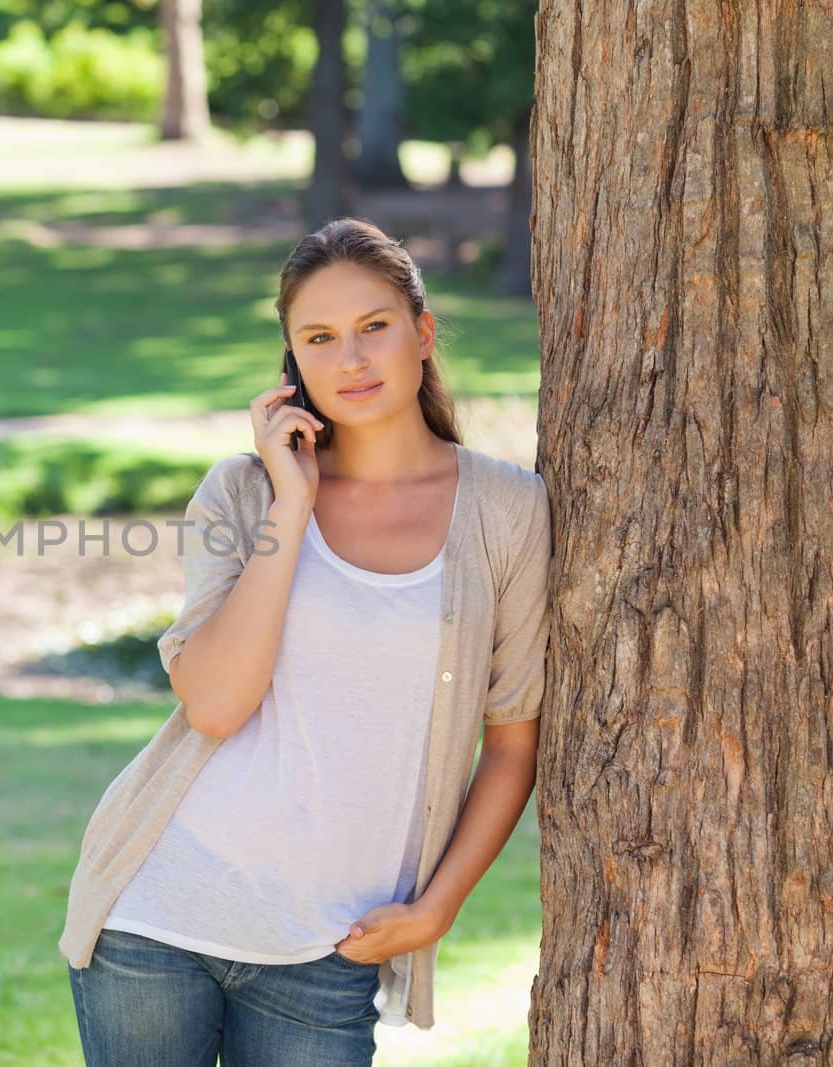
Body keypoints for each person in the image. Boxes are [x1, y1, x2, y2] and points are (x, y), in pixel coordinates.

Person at [57, 217, 554, 1066]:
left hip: (330, 943)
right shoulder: (243, 494)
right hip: (156, 914)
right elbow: (215, 704)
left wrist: (440, 904)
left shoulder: (507, 510)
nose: (351, 359)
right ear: (292, 362)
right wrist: (292, 503)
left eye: (374, 327)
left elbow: (512, 742)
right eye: (319, 338)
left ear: (423, 333)